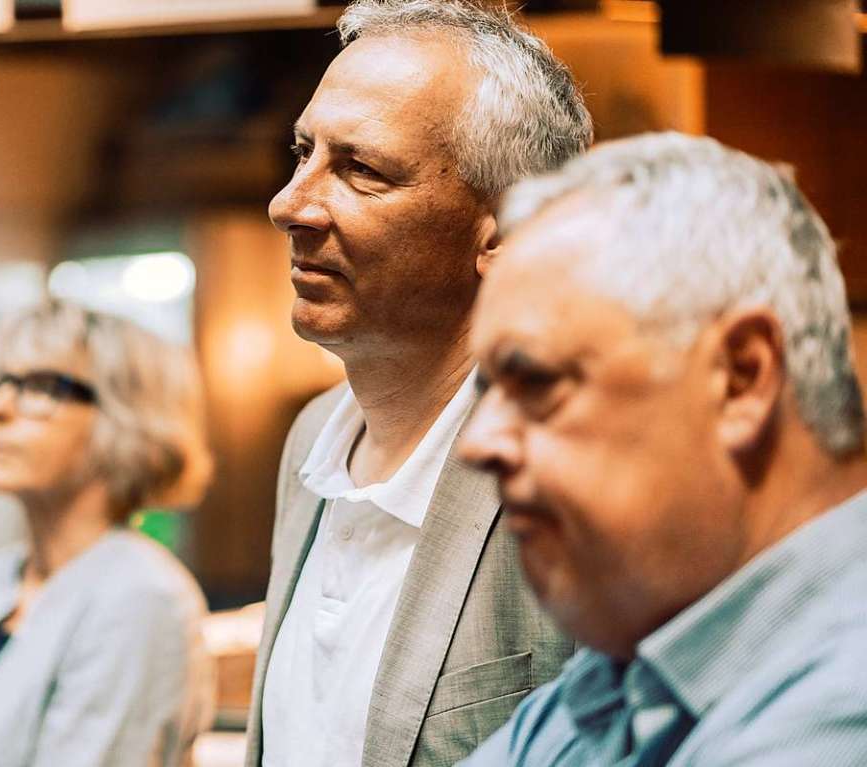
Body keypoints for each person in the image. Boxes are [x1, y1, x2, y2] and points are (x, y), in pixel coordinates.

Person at [247, 2, 593, 766]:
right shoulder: (311, 442)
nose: (290, 205)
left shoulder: (574, 471)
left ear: (503, 230)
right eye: (302, 153)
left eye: (361, 169)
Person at [457, 132, 867, 766]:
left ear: (742, 376)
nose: (478, 444)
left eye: (535, 381)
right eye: (488, 392)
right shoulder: (625, 663)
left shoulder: (841, 702)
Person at [0, 299, 216, 767]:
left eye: (41, 387)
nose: (0, 408)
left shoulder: (142, 598)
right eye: (0, 383)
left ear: (126, 416)